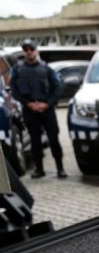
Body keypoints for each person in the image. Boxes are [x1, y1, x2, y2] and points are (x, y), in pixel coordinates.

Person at [10, 39, 67, 178]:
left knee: (53, 139)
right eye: (26, 49)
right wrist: (28, 104)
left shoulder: (46, 69)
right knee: (35, 141)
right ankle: (39, 170)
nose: (29, 52)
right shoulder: (18, 70)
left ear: (37, 51)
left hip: (46, 109)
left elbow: (57, 88)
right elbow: (14, 90)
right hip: (29, 110)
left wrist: (47, 104)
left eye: (31, 49)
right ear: (24, 52)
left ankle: (60, 168)